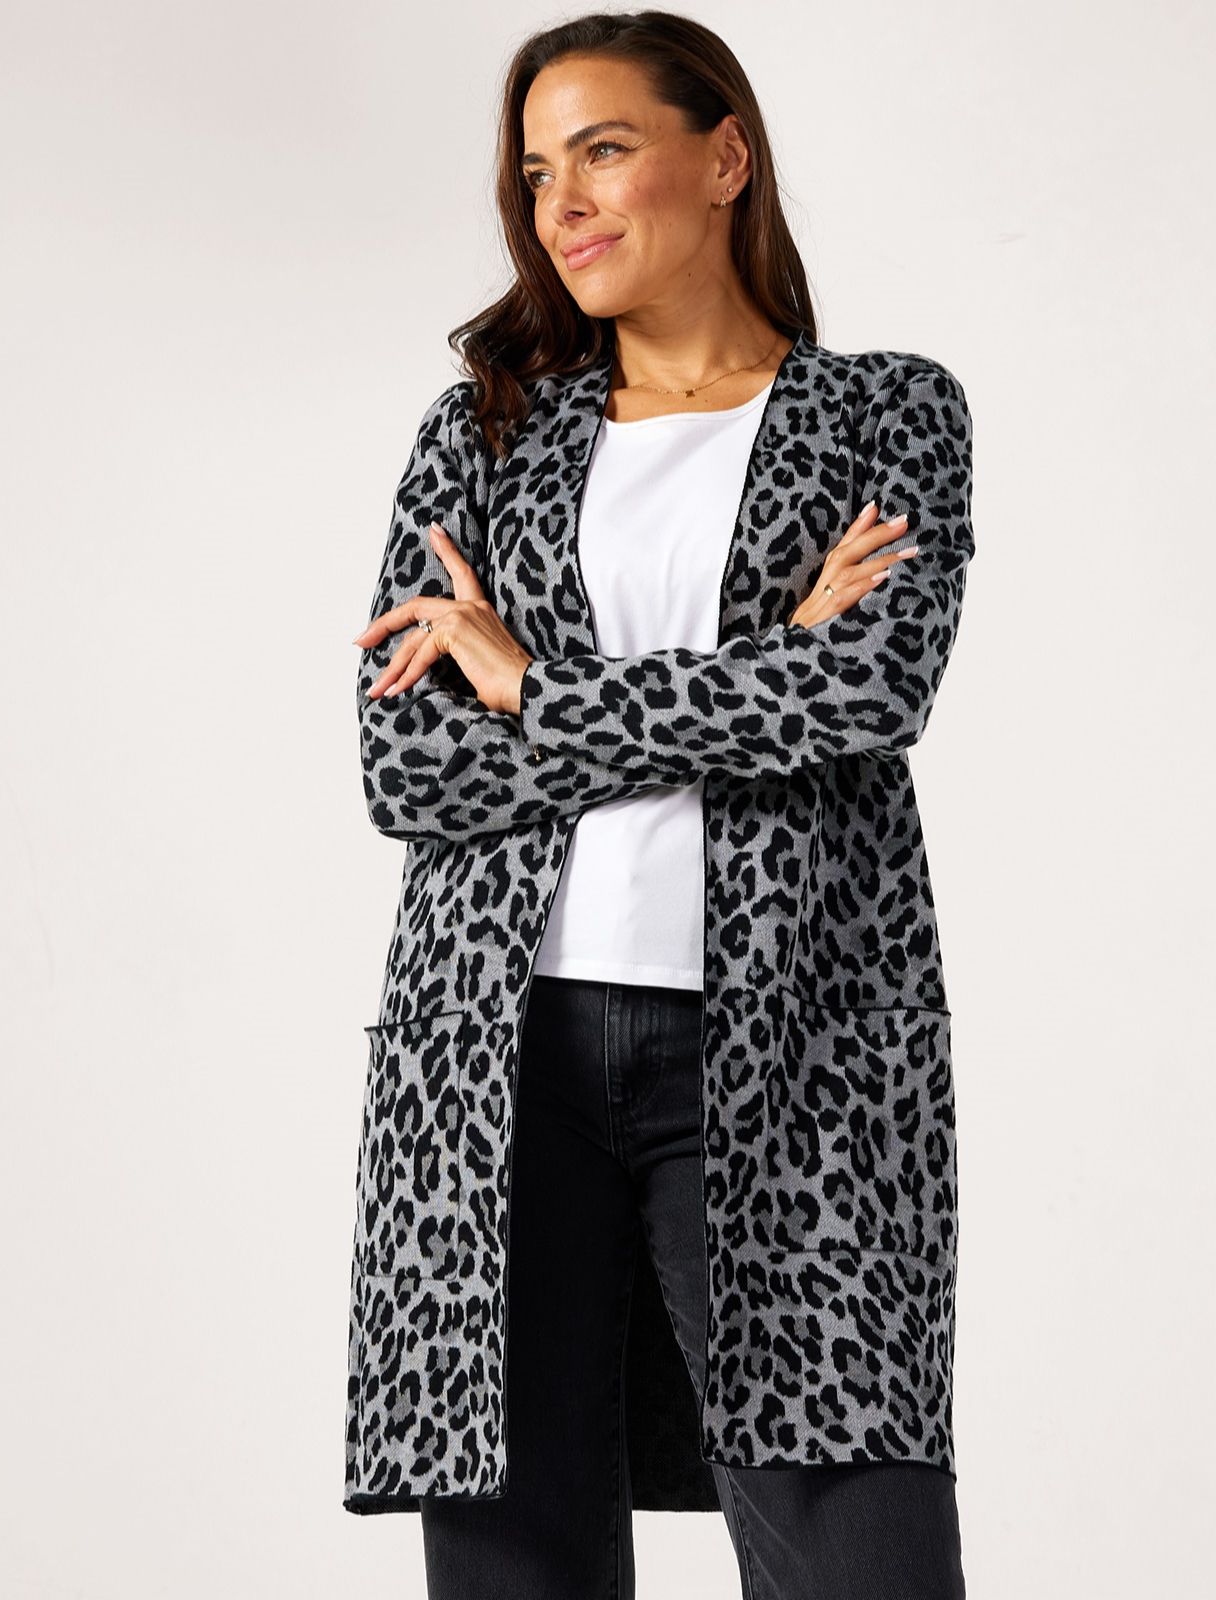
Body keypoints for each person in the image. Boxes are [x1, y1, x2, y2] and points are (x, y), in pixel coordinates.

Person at [345, 13, 975, 1599]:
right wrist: (765, 670)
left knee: (861, 1549)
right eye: (536, 172)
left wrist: (530, 687)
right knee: (516, 1554)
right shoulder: (484, 434)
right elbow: (410, 767)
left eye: (605, 151)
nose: (562, 204)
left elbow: (870, 691)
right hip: (496, 1059)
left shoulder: (887, 413)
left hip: (792, 1049)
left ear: (725, 154)